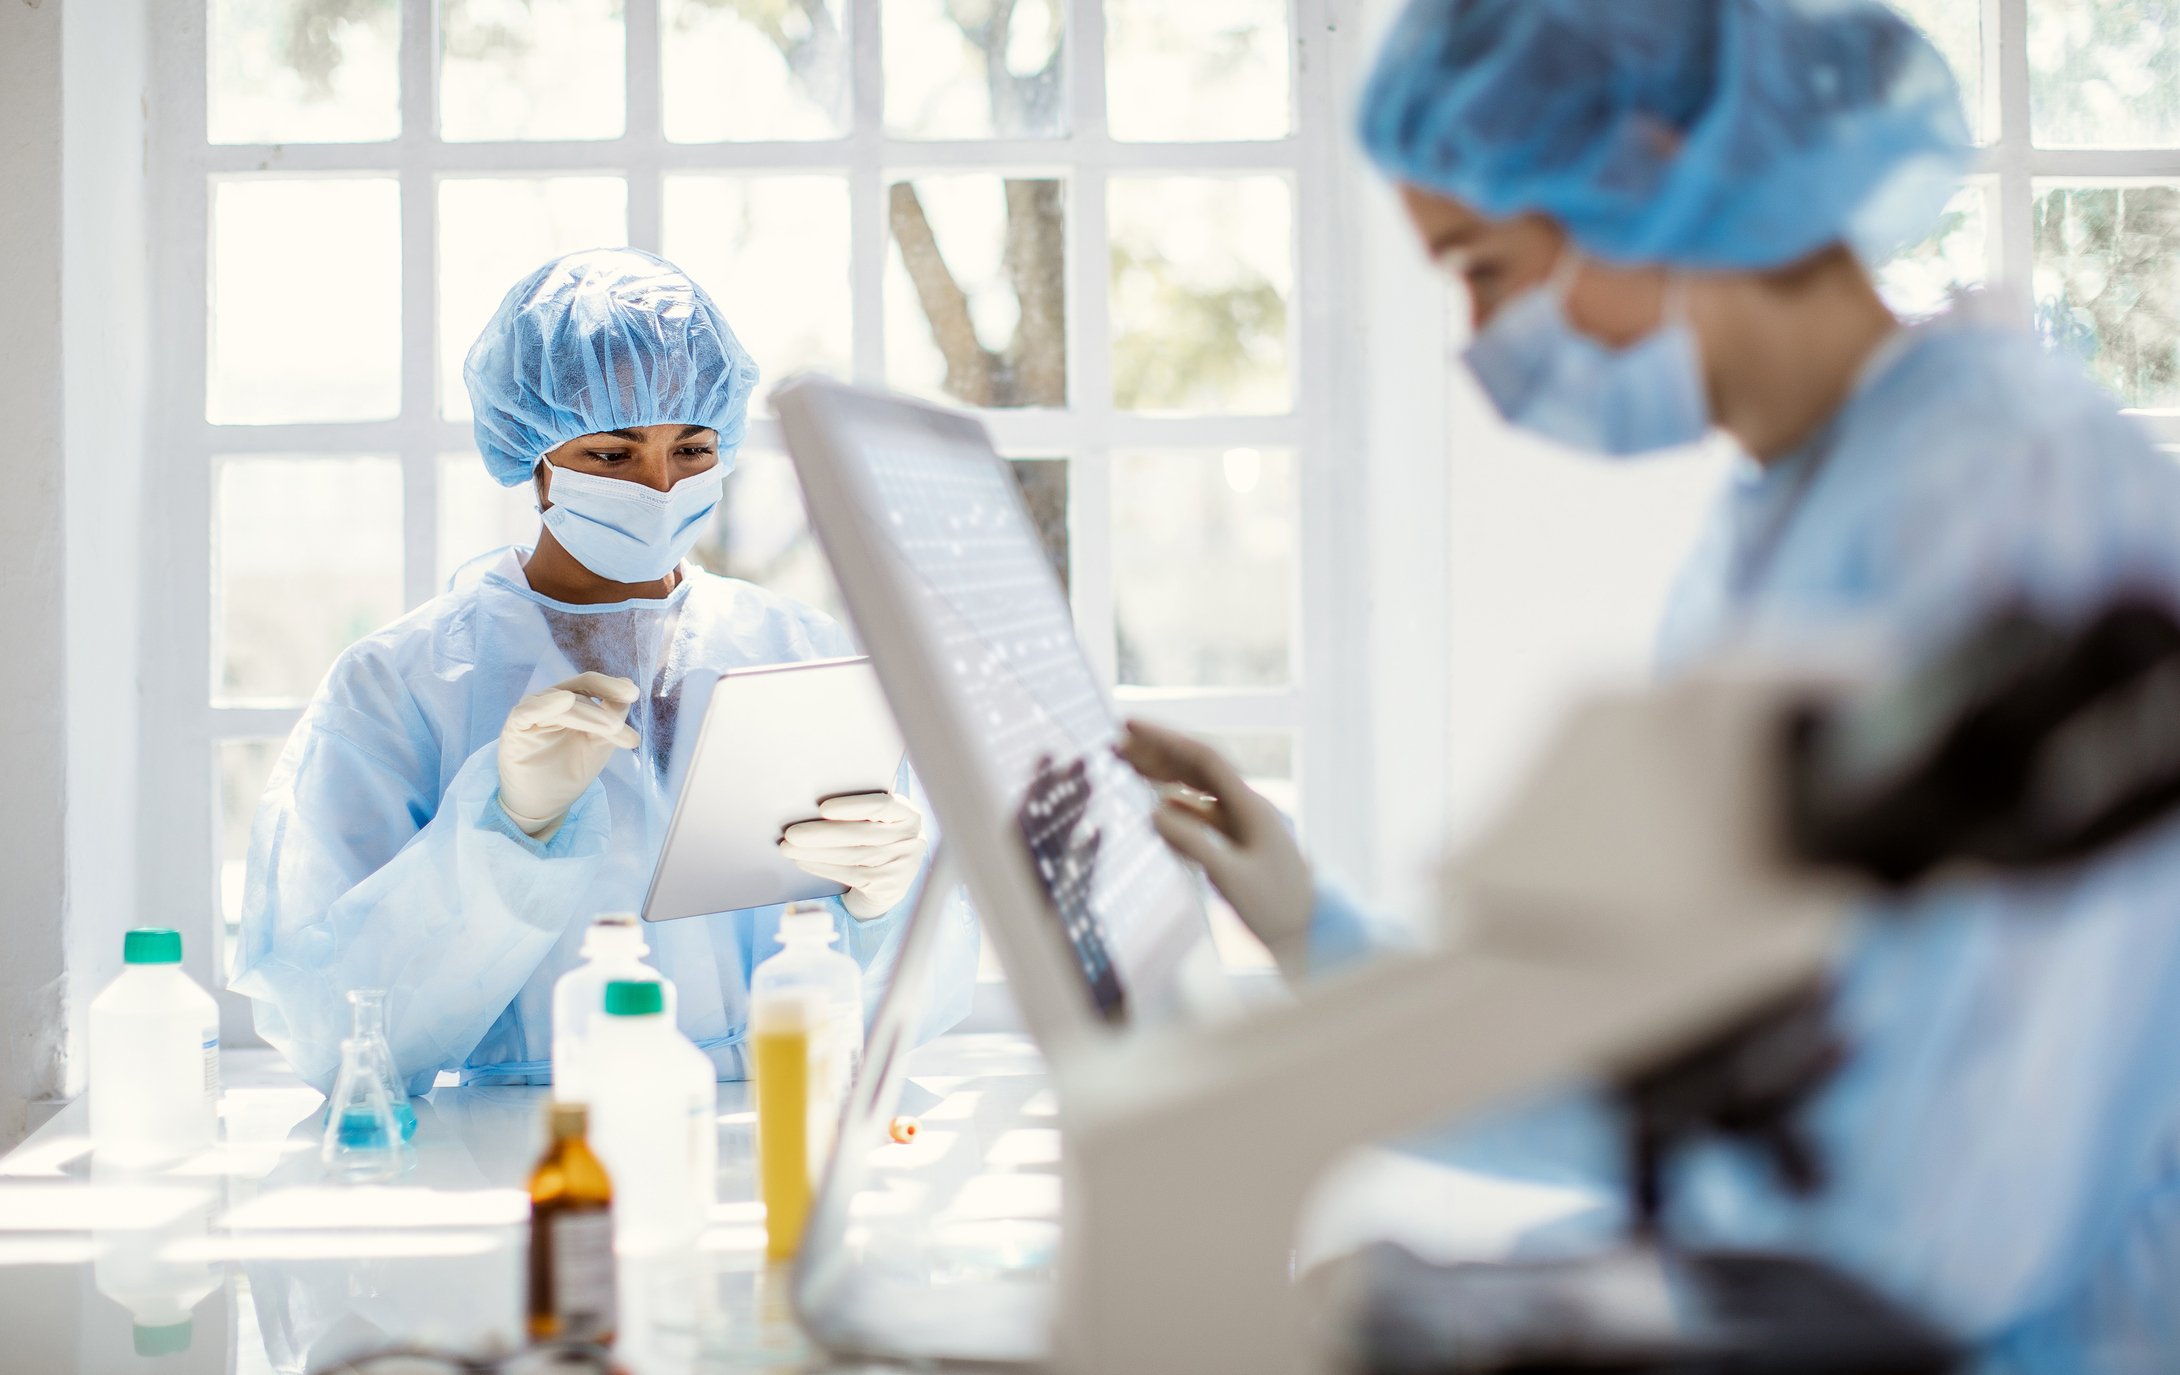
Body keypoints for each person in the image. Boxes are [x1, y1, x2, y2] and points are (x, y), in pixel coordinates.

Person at [1120, 1, 2180, 1369]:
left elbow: (1959, 1194)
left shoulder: (2000, 493)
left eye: (1484, 267)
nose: (1482, 337)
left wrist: (1521, 1311)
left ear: (1645, 163)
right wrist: (1322, 941)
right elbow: (1700, 1049)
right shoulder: (1781, 516)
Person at [232, 248, 976, 1095]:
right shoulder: (403, 684)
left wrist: (884, 906)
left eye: (693, 448)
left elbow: (917, 1003)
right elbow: (335, 1033)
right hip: (522, 1146)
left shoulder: (798, 649)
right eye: (614, 455)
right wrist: (504, 830)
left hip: (763, 1123)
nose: (661, 486)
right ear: (533, 458)